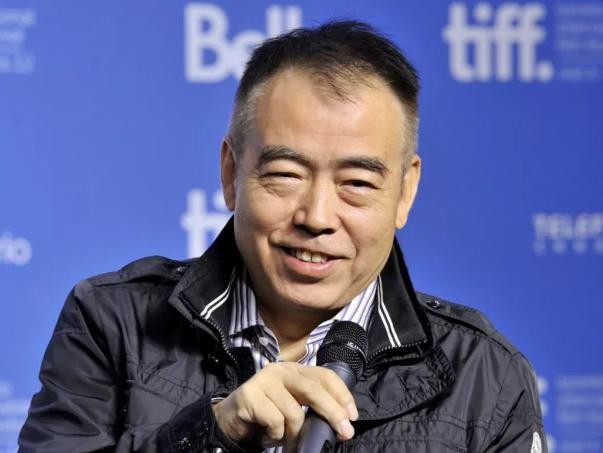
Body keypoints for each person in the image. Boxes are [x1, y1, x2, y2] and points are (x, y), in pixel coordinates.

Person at [19, 20, 547, 453]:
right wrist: (214, 434)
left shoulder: (485, 377)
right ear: (231, 173)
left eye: (357, 183)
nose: (317, 216)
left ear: (405, 191)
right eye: (286, 174)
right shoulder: (111, 323)